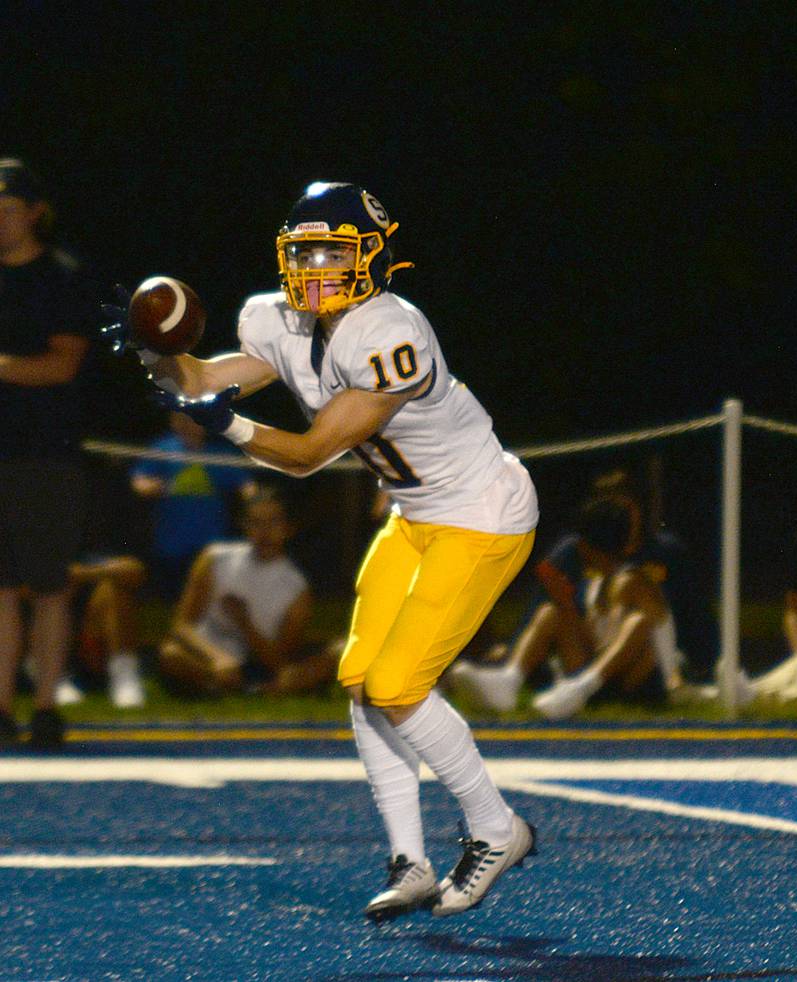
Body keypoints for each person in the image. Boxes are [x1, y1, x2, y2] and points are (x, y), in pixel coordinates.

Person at [102, 182, 539, 919]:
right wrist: (159, 352)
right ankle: (411, 862)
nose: (313, 266)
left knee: (399, 686)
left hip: (482, 513)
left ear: (371, 257)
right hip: (415, 514)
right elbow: (204, 379)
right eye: (302, 250)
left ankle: (499, 827)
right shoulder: (275, 318)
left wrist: (230, 428)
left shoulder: (393, 330)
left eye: (331, 251)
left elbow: (307, 454)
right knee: (363, 679)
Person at [0, 158, 98, 748]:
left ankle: (46, 706)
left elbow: (64, 363)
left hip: (46, 452)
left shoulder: (62, 277)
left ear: (35, 213)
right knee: (0, 588)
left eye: (8, 209)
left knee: (49, 583)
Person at [448, 496, 684, 718]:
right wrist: (566, 608)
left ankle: (578, 688)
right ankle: (509, 680)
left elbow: (619, 640)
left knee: (637, 622)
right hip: (602, 678)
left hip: (638, 682)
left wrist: (673, 683)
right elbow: (600, 641)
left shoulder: (631, 582)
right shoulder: (596, 580)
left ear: (586, 545)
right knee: (551, 612)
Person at [159, 484, 338, 696]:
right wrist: (216, 658)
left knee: (336, 653)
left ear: (288, 527)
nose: (265, 532)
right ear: (245, 526)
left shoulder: (296, 587)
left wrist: (244, 623)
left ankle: (252, 688)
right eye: (256, 523)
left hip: (258, 664)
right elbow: (181, 626)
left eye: (273, 522)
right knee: (171, 654)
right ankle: (225, 686)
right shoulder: (215, 559)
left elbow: (279, 661)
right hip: (207, 656)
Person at [130, 410, 256, 598]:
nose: (189, 425)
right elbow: (139, 483)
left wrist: (255, 503)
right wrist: (163, 486)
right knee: (175, 599)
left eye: (195, 420)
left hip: (212, 545)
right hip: (172, 543)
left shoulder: (219, 453)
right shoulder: (163, 449)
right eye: (182, 419)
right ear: (173, 421)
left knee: (209, 601)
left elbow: (247, 486)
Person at [48, 555, 147, 709]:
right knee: (47, 590)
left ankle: (124, 676)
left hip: (98, 634)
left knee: (112, 588)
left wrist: (81, 574)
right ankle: (53, 677)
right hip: (58, 624)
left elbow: (133, 570)